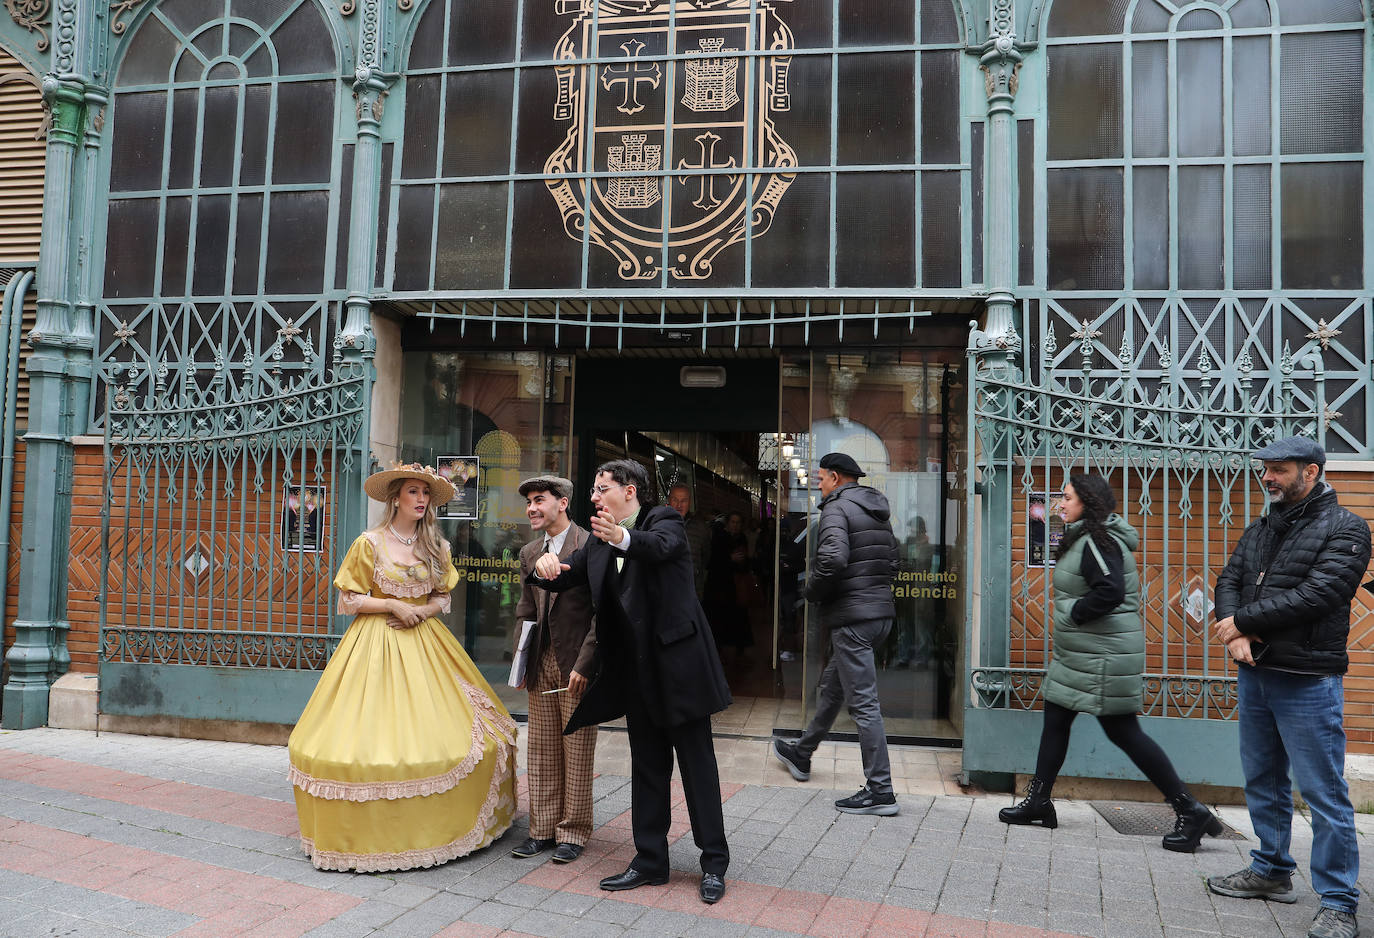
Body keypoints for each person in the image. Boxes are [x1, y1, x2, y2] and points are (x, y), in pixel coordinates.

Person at [287, 463, 517, 872]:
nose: (421, 499)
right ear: (395, 497)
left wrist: (422, 611)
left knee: (469, 737)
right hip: (375, 643)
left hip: (426, 643)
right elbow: (349, 599)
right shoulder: (369, 543)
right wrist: (393, 604)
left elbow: (442, 597)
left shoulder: (437, 547)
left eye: (425, 494)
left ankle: (448, 825)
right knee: (366, 738)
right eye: (413, 492)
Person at [532, 459, 732, 904]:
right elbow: (569, 576)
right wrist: (545, 568)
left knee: (698, 769)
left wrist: (619, 536)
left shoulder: (663, 520)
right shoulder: (598, 545)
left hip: (681, 672)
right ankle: (650, 861)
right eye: (594, 489)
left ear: (631, 492)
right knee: (647, 770)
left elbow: (658, 547)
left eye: (603, 488)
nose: (595, 496)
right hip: (637, 675)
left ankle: (713, 863)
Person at [996, 473, 1223, 853]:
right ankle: (1038, 801)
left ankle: (1189, 809)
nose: (1059, 504)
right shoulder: (1086, 537)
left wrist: (1074, 616)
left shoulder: (1098, 542)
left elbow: (1111, 590)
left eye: (1066, 498)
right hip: (1083, 654)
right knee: (1056, 718)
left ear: (1087, 502)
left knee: (1123, 731)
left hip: (1101, 656)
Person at [1207, 437, 1370, 938]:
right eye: (1267, 469)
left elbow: (1322, 593)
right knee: (1262, 780)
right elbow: (1229, 577)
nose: (1269, 478)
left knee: (1324, 793)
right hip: (1257, 671)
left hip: (1307, 679)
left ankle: (1340, 901)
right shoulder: (1262, 526)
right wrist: (1235, 630)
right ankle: (1272, 870)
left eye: (1279, 470)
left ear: (1312, 471)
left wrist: (1241, 623)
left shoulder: (1347, 528)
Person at [772, 452, 900, 816]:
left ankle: (881, 791)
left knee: (864, 705)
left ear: (834, 477)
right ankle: (802, 752)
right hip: (878, 616)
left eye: (821, 478)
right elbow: (893, 560)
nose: (819, 484)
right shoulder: (876, 511)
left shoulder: (836, 510)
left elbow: (832, 560)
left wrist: (810, 593)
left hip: (853, 619)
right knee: (833, 688)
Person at [509, 475, 597, 865]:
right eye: (529, 501)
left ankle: (573, 831)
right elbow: (525, 610)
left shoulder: (592, 546)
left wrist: (587, 664)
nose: (532, 508)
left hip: (578, 663)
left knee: (576, 750)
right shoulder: (529, 551)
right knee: (542, 750)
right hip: (542, 659)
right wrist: (520, 662)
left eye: (539, 500)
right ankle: (541, 830)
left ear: (562, 503)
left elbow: (602, 613)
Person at [667, 483, 711, 601]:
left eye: (684, 500)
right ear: (669, 501)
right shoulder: (657, 524)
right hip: (664, 591)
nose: (679, 505)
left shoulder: (701, 528)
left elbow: (706, 558)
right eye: (675, 499)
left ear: (690, 503)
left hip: (692, 592)